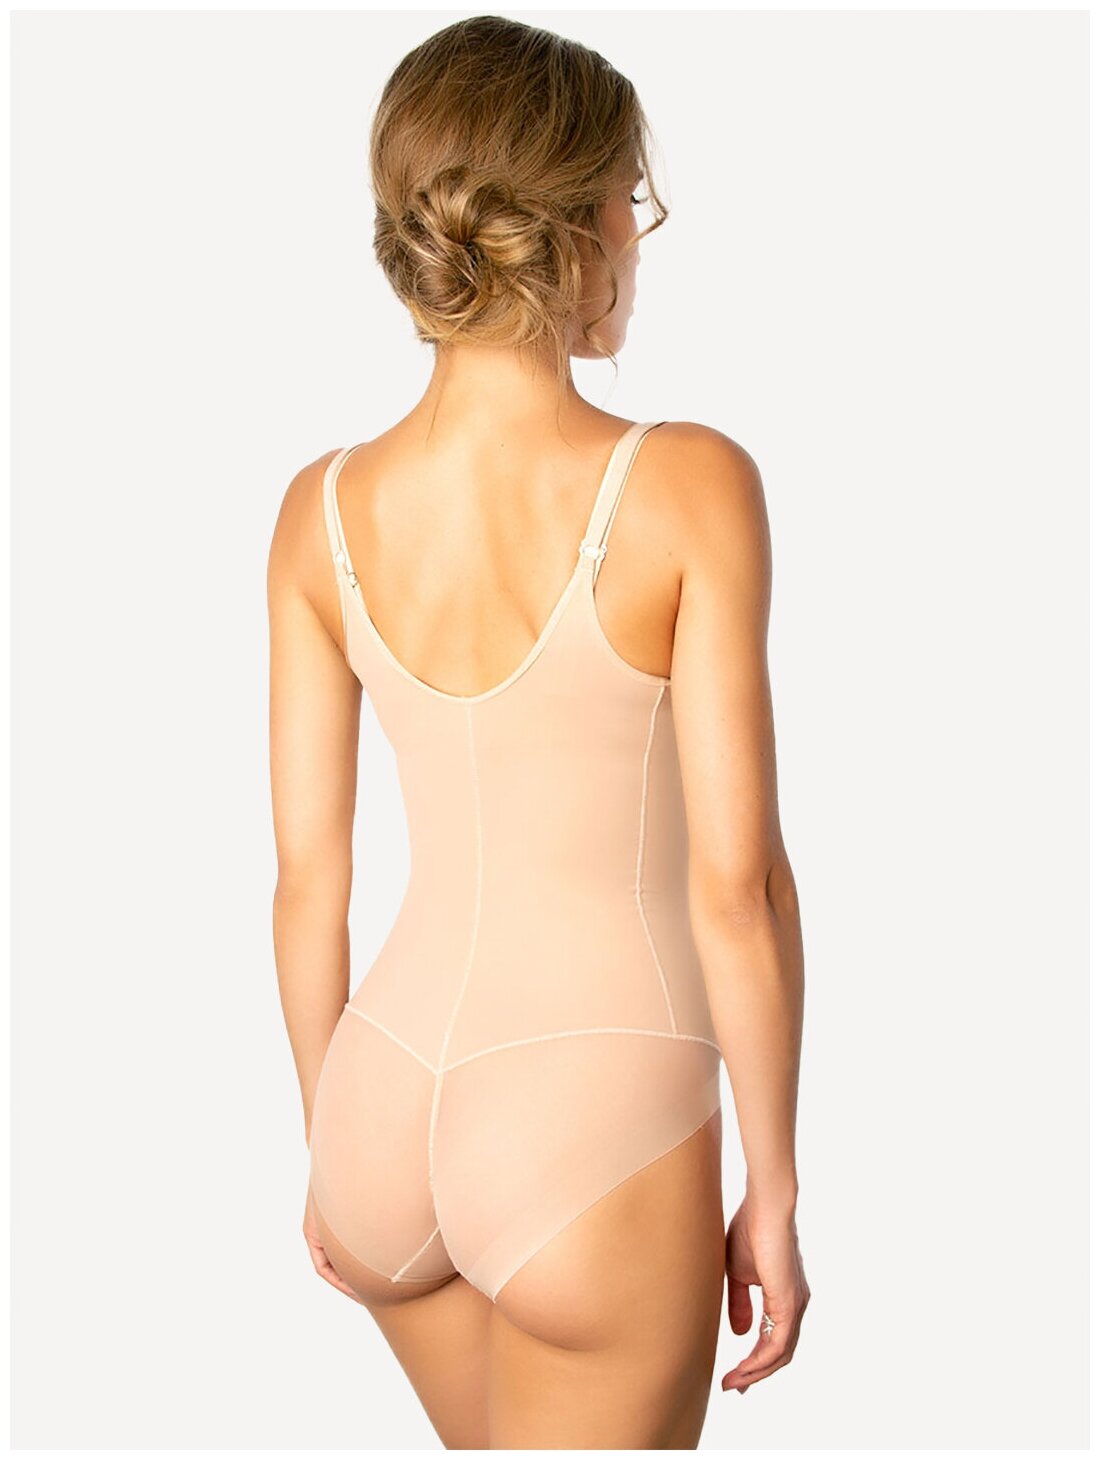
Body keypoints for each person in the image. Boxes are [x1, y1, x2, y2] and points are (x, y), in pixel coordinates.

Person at [268, 13, 809, 1450]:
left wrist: (329, 1142)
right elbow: (739, 887)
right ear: (572, 233)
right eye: (630, 197)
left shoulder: (320, 511)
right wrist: (773, 1185)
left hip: (377, 1097)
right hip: (592, 1116)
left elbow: (309, 884)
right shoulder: (687, 485)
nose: (640, 231)